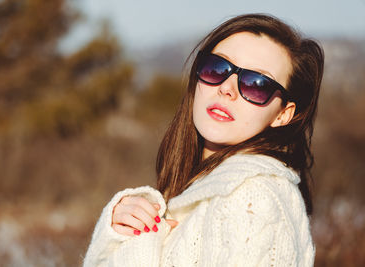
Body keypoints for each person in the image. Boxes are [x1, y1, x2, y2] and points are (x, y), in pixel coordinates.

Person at [83, 13, 324, 267]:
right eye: (217, 68)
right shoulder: (202, 188)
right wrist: (121, 234)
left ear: (283, 114)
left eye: (256, 84)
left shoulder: (253, 198)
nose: (227, 88)